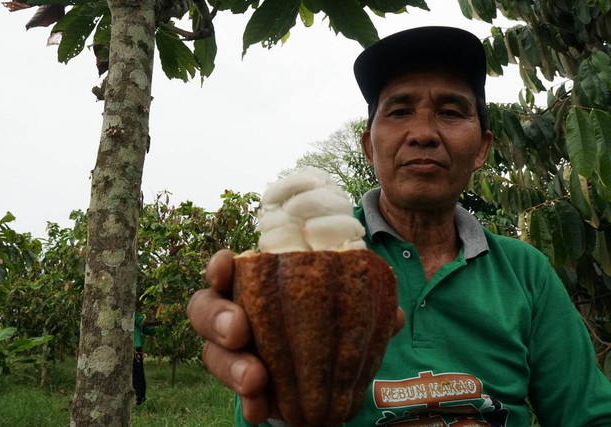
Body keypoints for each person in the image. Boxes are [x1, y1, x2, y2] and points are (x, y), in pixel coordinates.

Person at [186, 26, 611, 426]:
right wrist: (280, 404)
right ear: (370, 146)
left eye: (450, 111)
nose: (423, 133)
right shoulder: (309, 257)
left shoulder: (525, 272)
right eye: (400, 110)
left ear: (482, 149)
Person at [133, 302, 161, 405]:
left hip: (136, 347)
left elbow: (148, 330)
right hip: (133, 347)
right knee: (137, 374)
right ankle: (139, 398)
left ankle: (140, 398)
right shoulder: (133, 313)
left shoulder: (136, 314)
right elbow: (143, 323)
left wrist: (160, 328)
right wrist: (159, 322)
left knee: (138, 374)